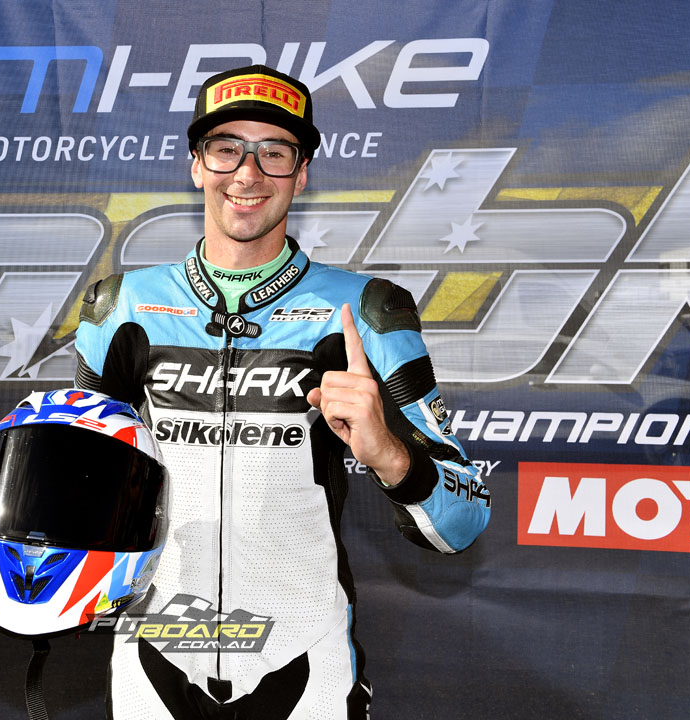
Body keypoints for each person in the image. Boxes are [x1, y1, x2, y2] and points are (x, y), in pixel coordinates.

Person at [74, 65, 491, 720]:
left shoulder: (367, 311)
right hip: (151, 656)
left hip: (304, 661)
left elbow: (464, 523)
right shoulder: (119, 308)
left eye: (274, 152)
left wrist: (388, 454)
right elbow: (82, 491)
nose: (248, 173)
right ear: (196, 165)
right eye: (226, 149)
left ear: (301, 174)